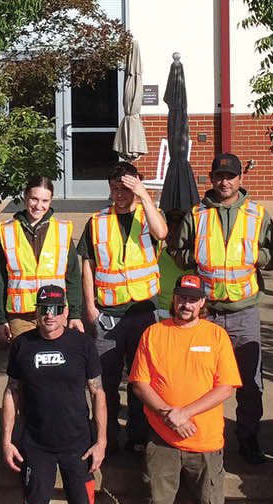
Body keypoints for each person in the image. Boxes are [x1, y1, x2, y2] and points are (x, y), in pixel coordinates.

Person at [130, 274, 240, 504]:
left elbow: (226, 386)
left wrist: (186, 413)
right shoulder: (154, 333)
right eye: (181, 297)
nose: (186, 304)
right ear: (172, 299)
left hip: (205, 442)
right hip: (162, 442)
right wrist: (167, 414)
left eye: (193, 299)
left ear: (203, 302)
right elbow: (139, 382)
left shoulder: (216, 336)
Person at [1, 285, 107, 504]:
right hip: (37, 446)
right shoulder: (22, 346)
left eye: (55, 308)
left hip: (78, 446)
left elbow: (98, 393)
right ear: (36, 311)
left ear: (65, 312)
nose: (49, 315)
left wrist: (101, 441)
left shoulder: (82, 345)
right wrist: (6, 440)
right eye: (44, 308)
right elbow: (11, 393)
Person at [171, 153, 273, 465]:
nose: (224, 182)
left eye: (230, 176)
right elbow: (178, 250)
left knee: (249, 381)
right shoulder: (197, 213)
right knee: (199, 379)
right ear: (211, 178)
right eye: (219, 176)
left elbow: (272, 252)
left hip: (243, 310)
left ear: (240, 179)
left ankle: (248, 438)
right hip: (207, 312)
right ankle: (198, 435)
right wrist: (197, 261)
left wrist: (257, 258)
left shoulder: (258, 214)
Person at [73, 161, 170, 456]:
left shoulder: (148, 215)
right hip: (108, 313)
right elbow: (87, 265)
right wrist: (89, 306)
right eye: (115, 188)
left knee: (141, 380)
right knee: (104, 381)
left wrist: (143, 194)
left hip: (143, 311)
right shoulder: (97, 221)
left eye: (126, 188)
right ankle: (107, 436)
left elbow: (162, 232)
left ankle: (139, 436)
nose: (121, 194)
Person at [0, 176, 84, 341]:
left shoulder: (62, 230)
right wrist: (0, 318)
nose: (38, 206)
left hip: (55, 313)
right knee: (25, 363)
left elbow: (73, 276)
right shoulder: (6, 231)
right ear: (25, 196)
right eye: (34, 199)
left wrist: (75, 314)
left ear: (51, 200)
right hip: (21, 316)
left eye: (44, 200)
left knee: (54, 363)